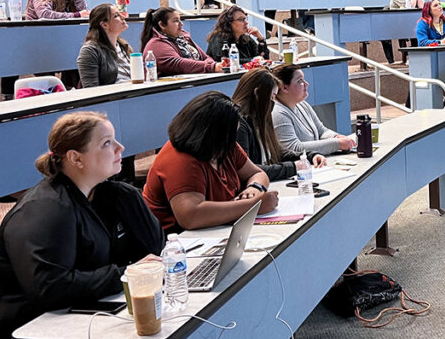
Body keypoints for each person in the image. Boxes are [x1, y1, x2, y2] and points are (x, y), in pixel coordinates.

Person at [0, 112, 166, 339]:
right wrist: (127, 274)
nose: (120, 148)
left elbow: (154, 249)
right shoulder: (45, 209)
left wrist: (130, 198)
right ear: (76, 158)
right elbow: (50, 287)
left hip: (66, 317)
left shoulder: (102, 196)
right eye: (107, 143)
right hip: (17, 329)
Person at [142, 92, 278, 233]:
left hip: (215, 229)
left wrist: (254, 188)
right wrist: (253, 206)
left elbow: (256, 173)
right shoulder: (180, 159)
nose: (234, 139)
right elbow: (190, 216)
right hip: (178, 240)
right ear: (214, 133)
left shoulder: (224, 146)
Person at [233, 69, 324, 181]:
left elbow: (278, 152)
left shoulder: (260, 118)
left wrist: (310, 156)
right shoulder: (239, 124)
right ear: (257, 94)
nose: (273, 103)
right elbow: (248, 169)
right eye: (272, 97)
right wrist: (294, 167)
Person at [272, 64, 356, 157]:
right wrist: (337, 144)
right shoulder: (278, 113)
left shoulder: (302, 104)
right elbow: (293, 148)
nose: (306, 84)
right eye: (300, 81)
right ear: (284, 88)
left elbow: (322, 131)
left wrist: (336, 136)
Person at [140, 7, 223, 75]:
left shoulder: (184, 38)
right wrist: (212, 67)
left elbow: (206, 57)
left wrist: (213, 65)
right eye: (176, 21)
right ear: (162, 25)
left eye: (180, 20)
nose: (181, 24)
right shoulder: (155, 44)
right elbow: (179, 64)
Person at [76, 4, 132, 87]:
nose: (123, 17)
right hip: (114, 98)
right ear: (104, 25)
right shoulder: (89, 51)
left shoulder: (123, 46)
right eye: (116, 16)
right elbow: (91, 90)